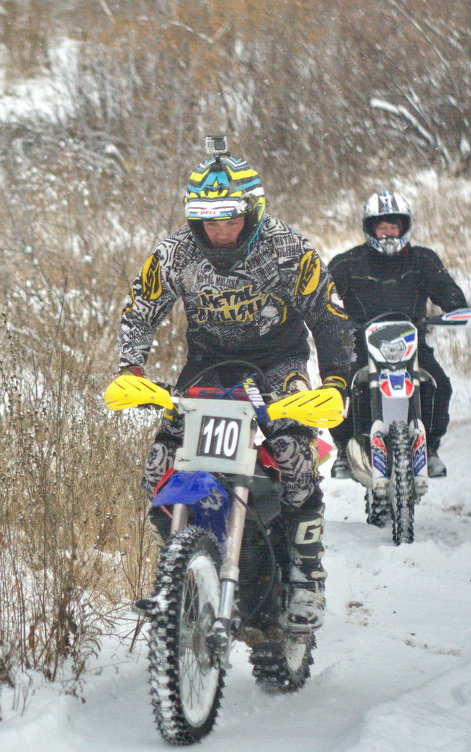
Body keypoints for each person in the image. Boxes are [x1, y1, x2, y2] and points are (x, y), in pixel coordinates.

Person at [118, 139, 351, 632]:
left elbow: (330, 318)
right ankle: (184, 566)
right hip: (209, 365)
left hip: (277, 361)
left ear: (253, 211)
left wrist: (335, 383)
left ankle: (306, 572)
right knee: (158, 464)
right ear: (194, 219)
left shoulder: (288, 248)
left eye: (230, 219)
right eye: (209, 221)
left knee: (292, 452)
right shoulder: (175, 253)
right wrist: (130, 370)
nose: (220, 232)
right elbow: (140, 312)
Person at [327, 191, 469, 479]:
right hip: (361, 345)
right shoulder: (347, 263)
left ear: (405, 227)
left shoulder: (423, 260)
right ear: (370, 228)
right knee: (339, 389)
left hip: (411, 344)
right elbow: (322, 295)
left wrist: (455, 306)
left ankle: (429, 449)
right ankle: (343, 449)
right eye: (382, 227)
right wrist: (327, 319)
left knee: (440, 385)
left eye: (394, 227)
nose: (388, 233)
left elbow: (446, 288)